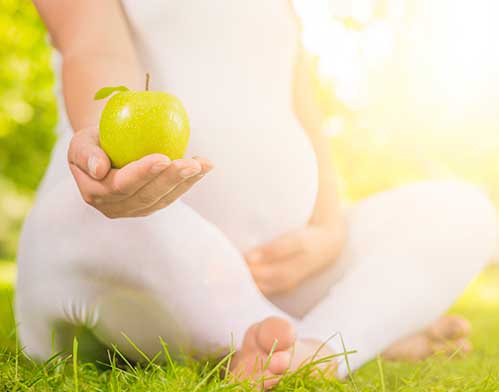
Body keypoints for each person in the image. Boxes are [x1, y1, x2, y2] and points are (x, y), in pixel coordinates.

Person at [16, 0, 498, 388]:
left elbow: (304, 113)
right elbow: (94, 48)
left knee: (464, 212)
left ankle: (309, 349)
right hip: (134, 263)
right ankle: (338, 334)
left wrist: (327, 230)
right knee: (92, 213)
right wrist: (108, 159)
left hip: (277, 271)